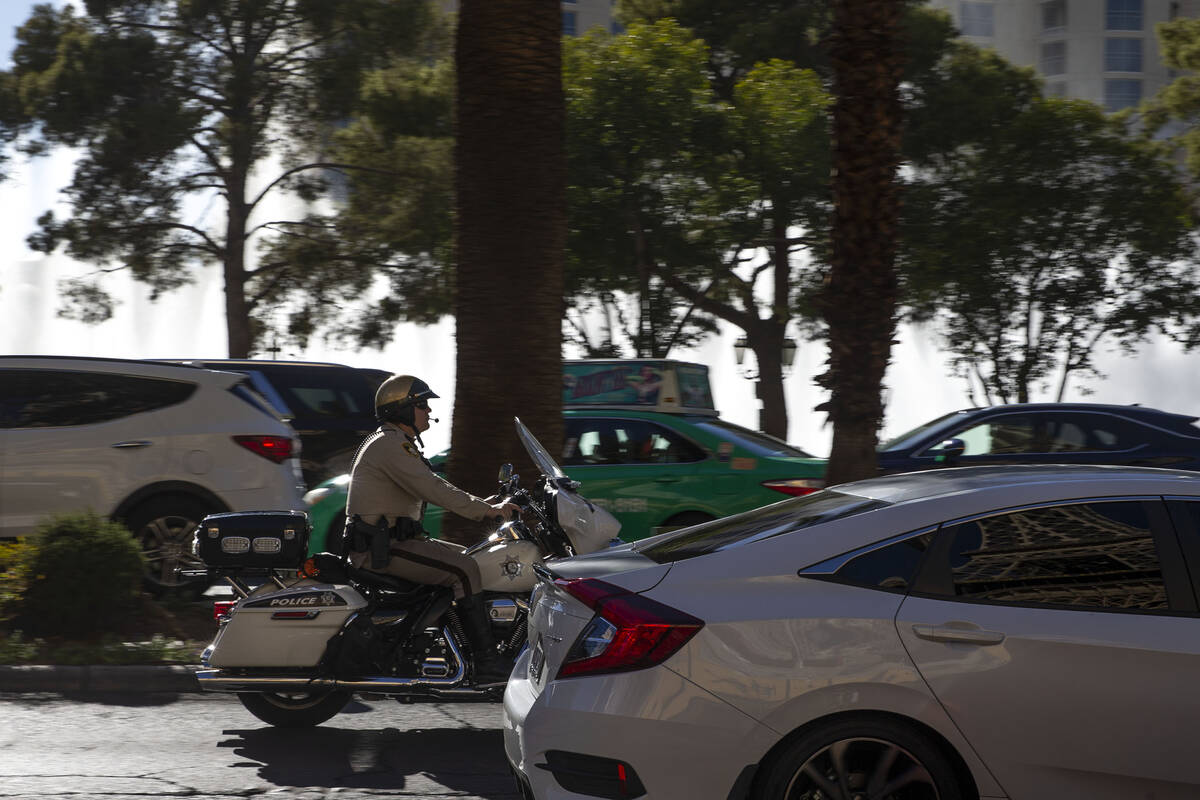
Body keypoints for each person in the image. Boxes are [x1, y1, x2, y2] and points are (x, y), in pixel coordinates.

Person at [343, 374, 520, 683]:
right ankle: (486, 662)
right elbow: (433, 488)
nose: (428, 411)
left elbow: (433, 489)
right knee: (464, 569)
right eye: (421, 405)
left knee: (475, 558)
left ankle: (464, 645)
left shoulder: (395, 443)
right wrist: (487, 510)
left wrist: (486, 503)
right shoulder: (390, 445)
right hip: (380, 551)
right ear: (402, 410)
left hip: (394, 543)